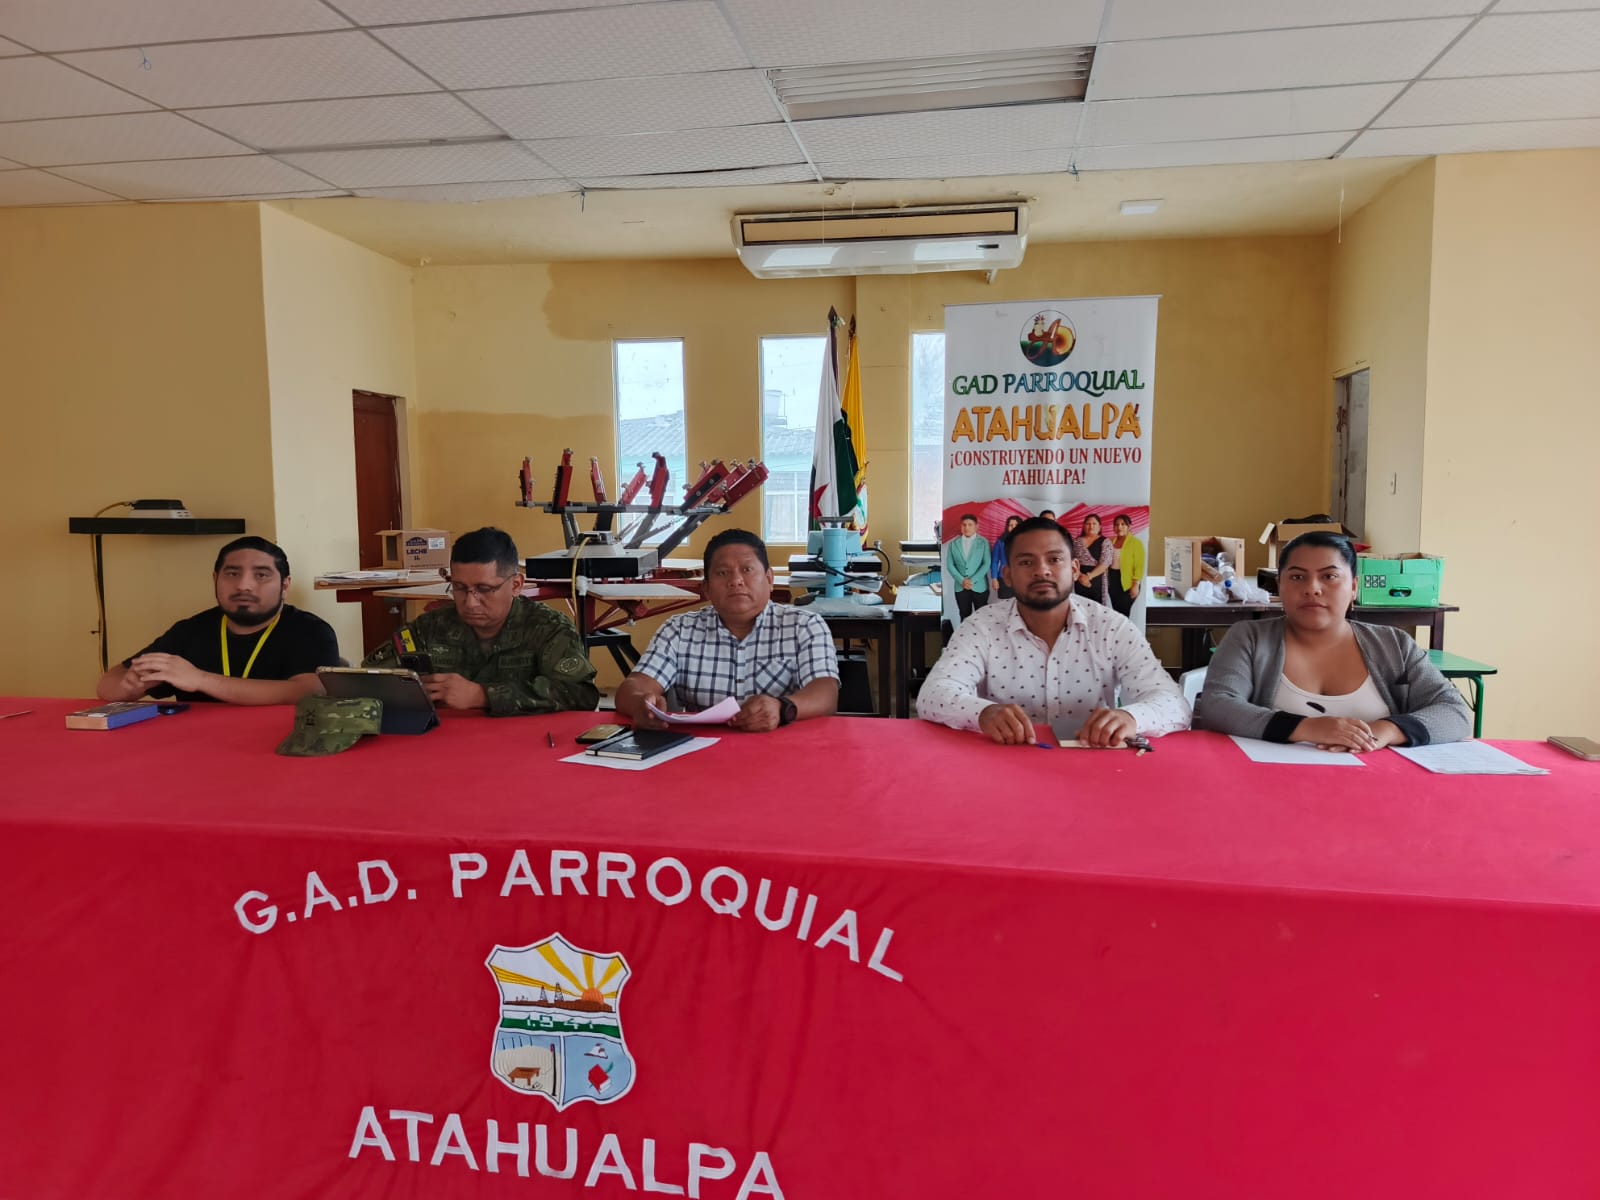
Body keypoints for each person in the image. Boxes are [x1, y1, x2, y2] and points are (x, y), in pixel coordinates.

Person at [919, 517, 1190, 746]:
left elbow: (1174, 703)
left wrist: (1131, 718)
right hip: (1004, 762)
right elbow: (933, 694)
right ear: (1008, 575)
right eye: (1026, 562)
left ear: (1074, 569)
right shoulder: (981, 626)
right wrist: (983, 713)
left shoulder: (1112, 627)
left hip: (1091, 766)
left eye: (1055, 559)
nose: (1042, 571)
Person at [1194, 532, 1471, 750]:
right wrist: (1307, 728)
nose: (1312, 588)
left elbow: (1454, 712)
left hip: (1378, 786)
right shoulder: (1249, 638)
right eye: (1297, 577)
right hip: (1272, 784)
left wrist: (1385, 731)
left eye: (1329, 576)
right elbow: (1218, 705)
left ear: (1353, 587)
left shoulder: (1394, 644)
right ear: (1280, 586)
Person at [614, 529, 838, 733]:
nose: (736, 581)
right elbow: (632, 688)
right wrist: (641, 704)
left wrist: (782, 708)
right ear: (707, 589)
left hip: (783, 746)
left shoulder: (804, 625)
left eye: (747, 569)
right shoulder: (679, 630)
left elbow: (826, 694)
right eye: (722, 573)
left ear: (769, 579)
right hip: (701, 752)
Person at [362, 527, 598, 715]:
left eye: (484, 589)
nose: (470, 602)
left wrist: (484, 696)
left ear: (516, 585)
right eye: (459, 587)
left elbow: (581, 694)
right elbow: (370, 679)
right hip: (445, 745)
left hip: (521, 746)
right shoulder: (430, 628)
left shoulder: (548, 629)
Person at [97, 535, 340, 705]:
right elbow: (108, 684)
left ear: (285, 586)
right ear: (215, 579)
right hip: (198, 746)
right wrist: (129, 686)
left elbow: (309, 691)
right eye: (232, 573)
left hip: (278, 744)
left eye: (261, 575)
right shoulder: (190, 631)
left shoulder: (310, 630)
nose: (244, 585)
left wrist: (200, 680)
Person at [945, 513, 989, 620]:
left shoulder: (983, 542)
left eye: (970, 524)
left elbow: (986, 563)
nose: (966, 527)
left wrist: (972, 581)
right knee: (964, 616)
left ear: (976, 526)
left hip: (979, 586)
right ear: (961, 526)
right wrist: (962, 581)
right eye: (964, 525)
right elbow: (950, 565)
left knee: (982, 618)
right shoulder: (953, 544)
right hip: (961, 587)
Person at [1107, 513, 1145, 618]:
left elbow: (1139, 565)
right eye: (1116, 525)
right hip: (1112, 579)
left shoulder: (1136, 543)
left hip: (1128, 582)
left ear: (1129, 526)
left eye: (1123, 524)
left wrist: (1136, 584)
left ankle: (1124, 629)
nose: (1119, 527)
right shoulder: (1110, 541)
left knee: (1124, 613)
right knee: (1116, 612)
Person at [1073, 513, 1113, 606]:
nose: (1091, 526)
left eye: (1094, 524)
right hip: (1079, 579)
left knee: (1097, 608)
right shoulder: (1076, 541)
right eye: (1088, 523)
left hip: (1097, 580)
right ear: (1083, 526)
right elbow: (1071, 561)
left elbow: (1105, 563)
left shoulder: (1106, 542)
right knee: (1080, 607)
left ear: (1100, 527)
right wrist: (1080, 576)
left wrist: (1088, 577)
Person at [990, 515, 1022, 601]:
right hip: (1004, 577)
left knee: (1021, 604)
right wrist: (994, 578)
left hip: (1021, 578)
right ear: (1007, 527)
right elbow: (994, 561)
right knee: (1005, 605)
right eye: (1011, 525)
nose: (1013, 527)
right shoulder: (1000, 542)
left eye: (1016, 525)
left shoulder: (1027, 541)